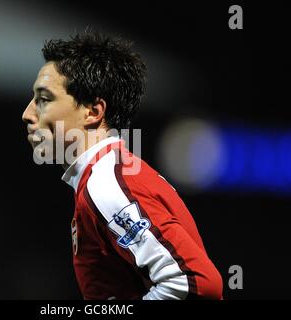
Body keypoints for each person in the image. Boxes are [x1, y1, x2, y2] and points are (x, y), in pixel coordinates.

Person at [22, 32, 223, 300]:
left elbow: (194, 283)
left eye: (44, 99)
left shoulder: (106, 184)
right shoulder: (110, 177)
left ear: (93, 112)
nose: (27, 113)